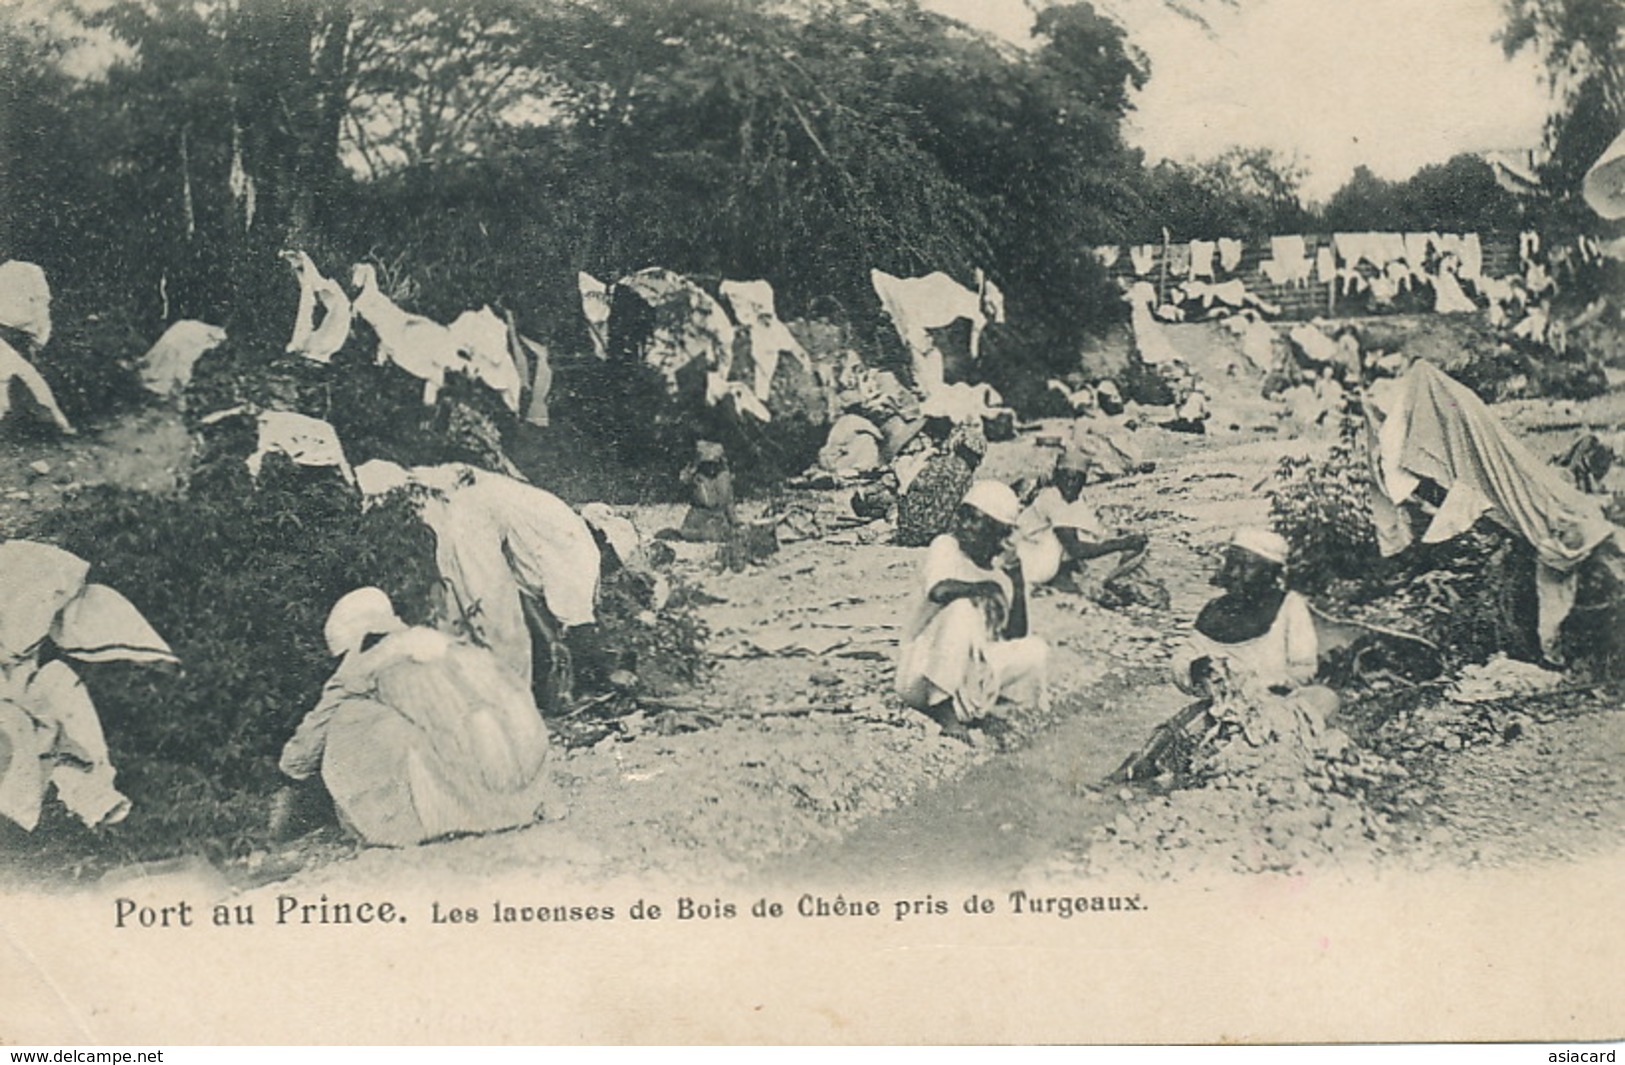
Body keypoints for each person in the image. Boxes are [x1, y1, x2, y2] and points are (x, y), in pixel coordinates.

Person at [277, 588, 558, 847]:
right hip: (525, 790)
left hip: (474, 801)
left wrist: (291, 778)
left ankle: (397, 821)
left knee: (348, 715)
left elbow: (308, 744)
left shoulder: (361, 664)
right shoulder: (450, 646)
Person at [896, 480, 1049, 743]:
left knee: (1036, 649)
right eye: (964, 517)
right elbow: (939, 591)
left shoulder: (998, 572)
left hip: (966, 679)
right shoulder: (946, 546)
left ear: (995, 530)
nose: (964, 525)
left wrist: (1018, 582)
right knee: (961, 609)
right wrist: (984, 587)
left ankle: (975, 709)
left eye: (975, 521)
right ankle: (943, 711)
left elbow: (1014, 635)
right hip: (920, 675)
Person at [1174, 528, 1338, 724]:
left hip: (1277, 707)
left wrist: (1270, 686)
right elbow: (1183, 658)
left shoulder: (1290, 606)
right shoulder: (1215, 610)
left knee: (1324, 698)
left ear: (1270, 572)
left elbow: (1304, 667)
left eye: (1246, 566)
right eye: (1231, 563)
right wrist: (1193, 669)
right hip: (1223, 708)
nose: (1234, 573)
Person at [1014, 450, 1149, 595]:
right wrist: (1122, 544)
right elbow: (1075, 548)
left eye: (1076, 479)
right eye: (1065, 477)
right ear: (1056, 477)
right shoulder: (1051, 498)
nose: (1069, 484)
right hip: (1027, 561)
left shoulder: (1075, 502)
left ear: (1084, 481)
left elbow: (1090, 534)